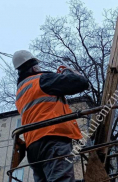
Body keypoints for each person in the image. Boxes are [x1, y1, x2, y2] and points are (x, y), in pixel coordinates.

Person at [13, 50, 89, 182]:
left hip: (33, 147)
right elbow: (81, 83)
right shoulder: (42, 79)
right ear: (34, 66)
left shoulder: (20, 93)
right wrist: (66, 71)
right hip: (53, 139)